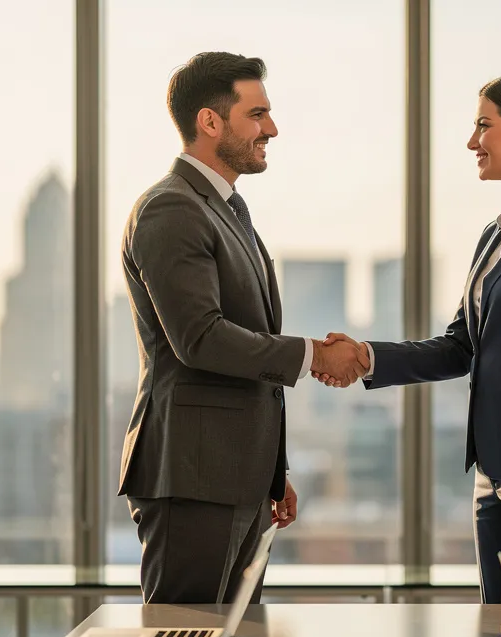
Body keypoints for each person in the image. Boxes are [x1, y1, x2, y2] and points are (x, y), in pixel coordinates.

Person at [320, 71, 501, 604]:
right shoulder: (498, 233)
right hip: (496, 473)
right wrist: (366, 357)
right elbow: (460, 346)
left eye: (484, 125)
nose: (471, 141)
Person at [118, 52, 368, 603]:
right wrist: (313, 356)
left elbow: (241, 356)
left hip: (232, 479)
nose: (271, 129)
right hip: (192, 480)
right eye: (257, 115)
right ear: (210, 122)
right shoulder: (171, 209)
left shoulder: (223, 209)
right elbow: (200, 339)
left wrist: (269, 475)